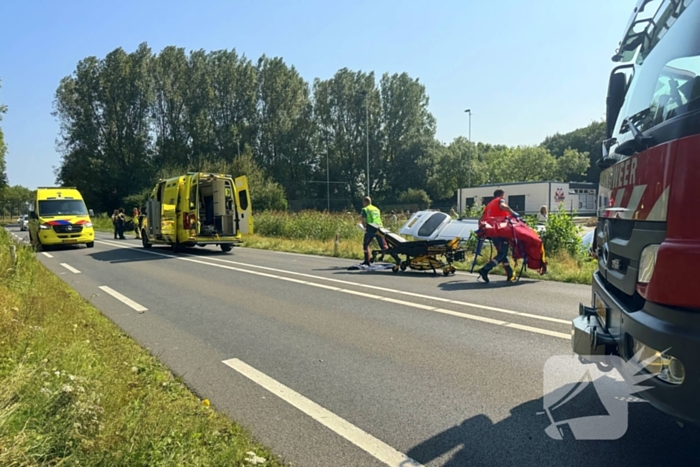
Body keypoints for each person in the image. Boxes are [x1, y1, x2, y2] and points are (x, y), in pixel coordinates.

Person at [478, 189, 518, 284]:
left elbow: (481, 218)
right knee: (502, 254)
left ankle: (510, 273)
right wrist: (513, 213)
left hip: (492, 231)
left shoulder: (489, 205)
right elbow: (503, 206)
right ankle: (485, 269)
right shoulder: (500, 200)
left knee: (502, 254)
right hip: (501, 230)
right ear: (501, 195)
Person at [360, 196, 388, 266]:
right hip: (379, 228)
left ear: (365, 202)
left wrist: (364, 228)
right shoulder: (376, 209)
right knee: (383, 245)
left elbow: (363, 220)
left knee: (365, 244)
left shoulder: (365, 209)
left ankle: (367, 260)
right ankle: (391, 257)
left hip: (371, 228)